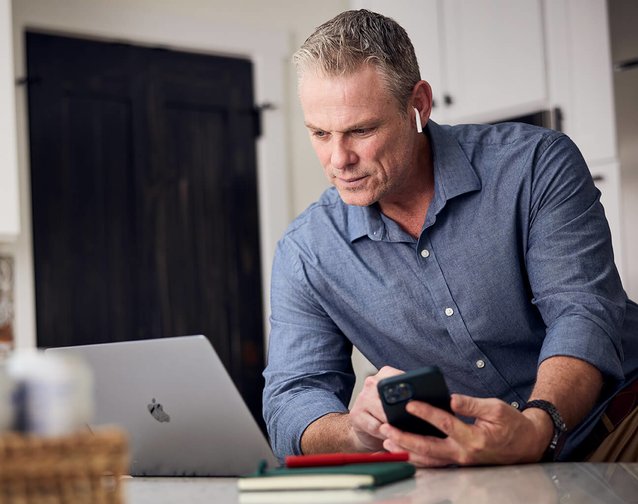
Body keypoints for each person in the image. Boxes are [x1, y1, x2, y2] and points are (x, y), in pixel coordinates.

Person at [263, 9, 638, 466]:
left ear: (418, 105)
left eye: (361, 130)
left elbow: (583, 312)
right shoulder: (307, 252)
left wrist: (539, 426)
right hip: (474, 463)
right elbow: (291, 398)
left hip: (617, 426)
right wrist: (356, 433)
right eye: (320, 133)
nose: (338, 159)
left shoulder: (535, 165)